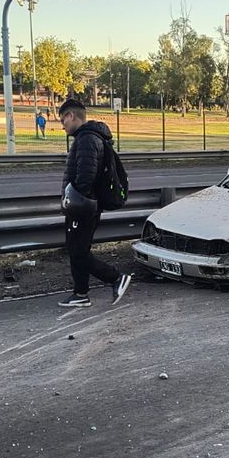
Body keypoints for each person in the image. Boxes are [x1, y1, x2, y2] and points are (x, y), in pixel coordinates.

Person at [57, 98, 132, 307]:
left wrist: (73, 200)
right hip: (86, 204)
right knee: (77, 250)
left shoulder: (87, 139)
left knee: (78, 252)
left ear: (71, 116)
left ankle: (116, 278)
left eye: (63, 119)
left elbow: (85, 177)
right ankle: (80, 294)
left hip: (84, 206)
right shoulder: (89, 137)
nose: (62, 124)